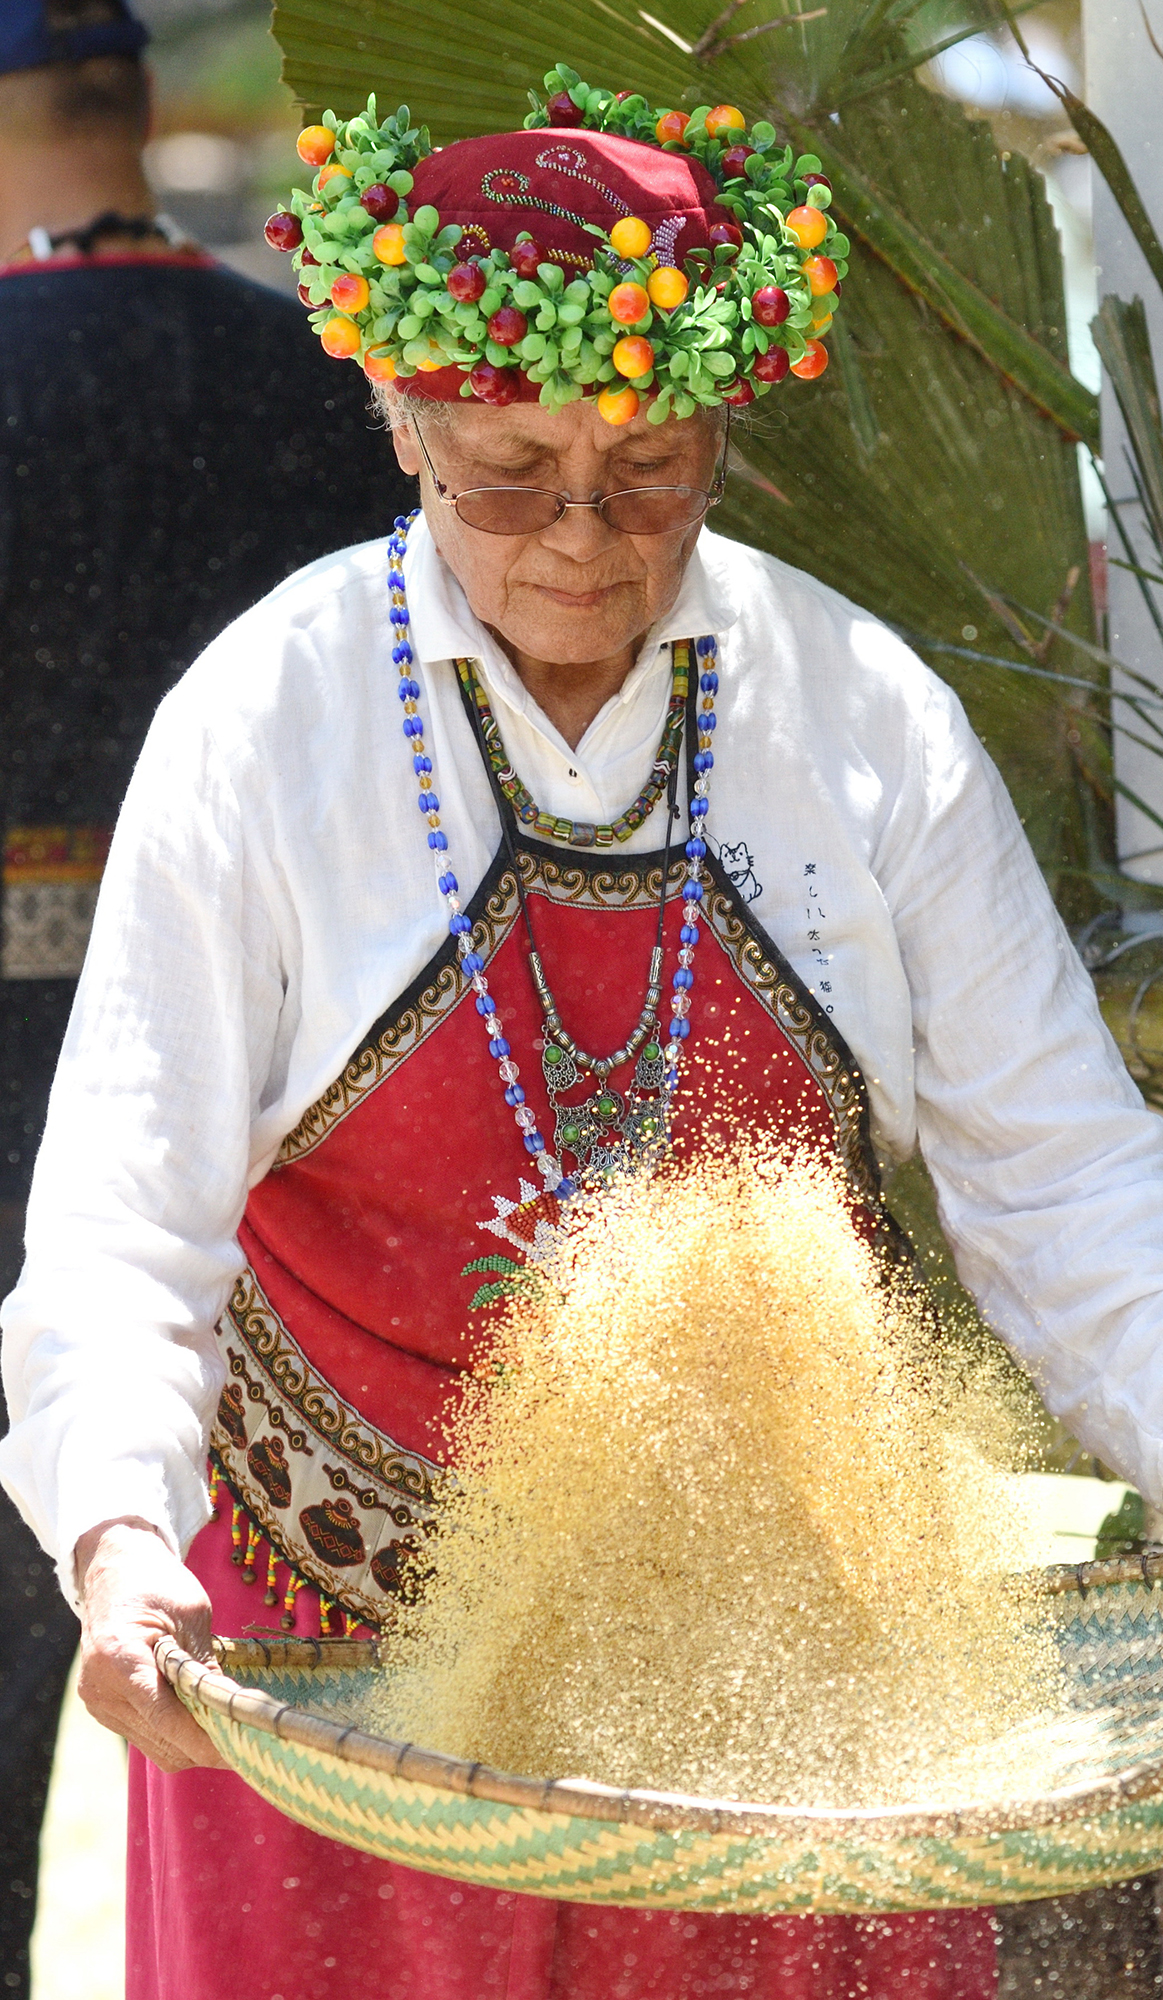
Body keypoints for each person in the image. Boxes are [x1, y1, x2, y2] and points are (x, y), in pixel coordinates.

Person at [2, 60, 1163, 2000]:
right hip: (342, 1681)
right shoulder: (265, 722)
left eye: (646, 470)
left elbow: (1054, 1159)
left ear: (721, 425)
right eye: (505, 471)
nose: (578, 532)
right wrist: (120, 1532)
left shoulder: (854, 713)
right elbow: (125, 1224)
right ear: (399, 420)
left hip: (779, 1679)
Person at [0, 3, 410, 1990]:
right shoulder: (332, 380)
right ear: (141, 101)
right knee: (275, 1659)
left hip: (20, 1069)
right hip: (291, 1116)